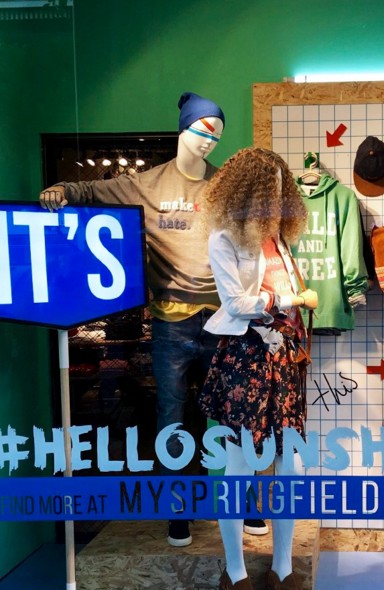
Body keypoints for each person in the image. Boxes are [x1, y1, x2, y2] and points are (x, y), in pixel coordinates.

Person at [39, 92, 267, 544]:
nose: (209, 141)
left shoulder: (225, 185)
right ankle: (177, 510)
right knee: (172, 417)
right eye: (203, 130)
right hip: (171, 321)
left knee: (234, 415)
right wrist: (62, 190)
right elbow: (94, 191)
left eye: (217, 135)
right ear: (184, 128)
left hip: (224, 320)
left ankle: (243, 503)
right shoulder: (147, 184)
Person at [199, 146, 324, 590]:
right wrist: (292, 299)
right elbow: (235, 304)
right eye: (267, 188)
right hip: (245, 362)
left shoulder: (279, 239)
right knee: (238, 470)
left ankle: (282, 572)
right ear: (245, 190)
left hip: (284, 361)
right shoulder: (224, 238)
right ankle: (234, 577)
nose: (275, 198)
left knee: (288, 468)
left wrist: (293, 301)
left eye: (280, 188)